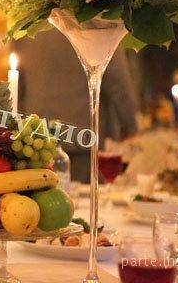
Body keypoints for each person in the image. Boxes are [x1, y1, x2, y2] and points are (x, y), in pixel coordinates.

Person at [15, 29, 139, 182]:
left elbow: (18, 84)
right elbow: (117, 81)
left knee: (47, 194)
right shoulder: (97, 22)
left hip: (38, 136)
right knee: (86, 194)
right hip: (84, 134)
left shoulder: (27, 25)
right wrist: (130, 126)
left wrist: (19, 128)